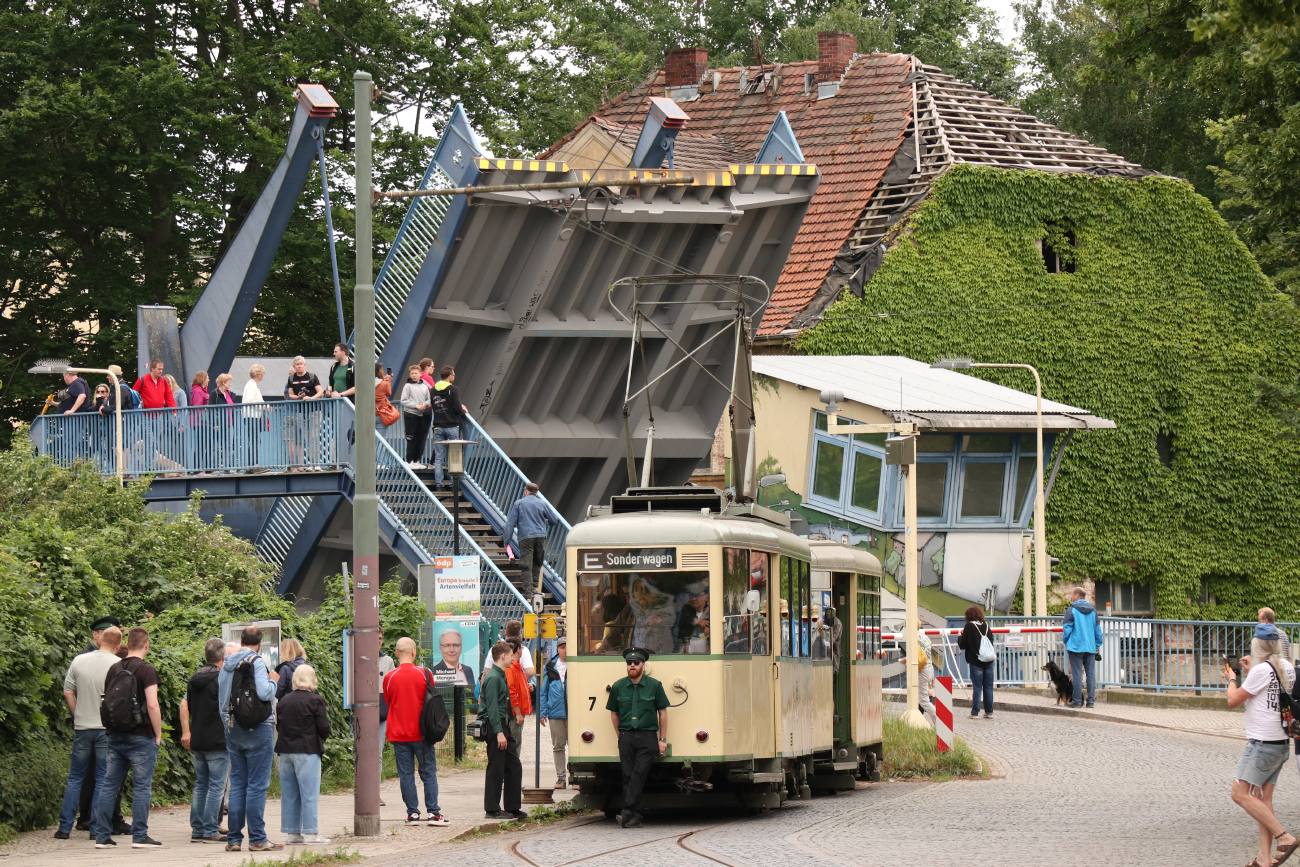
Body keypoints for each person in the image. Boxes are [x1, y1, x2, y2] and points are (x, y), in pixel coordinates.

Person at [1225, 623, 1299, 867]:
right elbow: (1266, 690)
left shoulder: (1261, 671)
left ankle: (1284, 837)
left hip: (1262, 744)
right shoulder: (1287, 667)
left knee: (1239, 794)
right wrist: (1251, 672)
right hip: (1280, 743)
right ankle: (1263, 859)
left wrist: (1232, 679)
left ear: (1257, 646)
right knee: (1262, 799)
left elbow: (1233, 701)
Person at [95, 626, 164, 849]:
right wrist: (158, 733)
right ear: (147, 645)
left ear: (127, 644)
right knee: (142, 786)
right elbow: (152, 704)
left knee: (109, 785)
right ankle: (140, 835)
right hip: (141, 735)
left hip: (115, 735)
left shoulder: (114, 668)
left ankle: (102, 836)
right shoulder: (147, 670)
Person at [55, 625, 122, 841]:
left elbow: (67, 691)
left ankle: (64, 827)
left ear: (100, 639)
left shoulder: (79, 660)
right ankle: (96, 828)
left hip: (82, 727)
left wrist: (78, 714)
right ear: (118, 644)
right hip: (105, 728)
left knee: (75, 777)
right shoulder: (117, 664)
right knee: (103, 778)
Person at [218, 626, 282, 853]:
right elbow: (265, 694)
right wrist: (273, 680)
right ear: (260, 643)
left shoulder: (226, 664)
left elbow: (222, 700)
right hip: (258, 728)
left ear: (241, 640)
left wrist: (228, 725)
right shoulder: (256, 661)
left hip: (232, 728)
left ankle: (234, 839)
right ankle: (257, 839)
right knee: (256, 785)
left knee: (237, 784)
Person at [382, 637, 449, 826]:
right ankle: (434, 813)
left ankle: (412, 814)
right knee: (428, 773)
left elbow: (389, 702)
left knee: (406, 775)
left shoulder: (390, 677)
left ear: (396, 654)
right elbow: (432, 700)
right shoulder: (425, 674)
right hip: (423, 734)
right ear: (414, 652)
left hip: (399, 733)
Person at [607, 646, 670, 828]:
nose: (632, 665)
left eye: (636, 662)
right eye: (629, 663)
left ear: (643, 665)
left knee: (639, 773)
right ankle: (635, 816)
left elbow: (663, 713)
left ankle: (626, 810)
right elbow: (614, 713)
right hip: (626, 736)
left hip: (647, 737)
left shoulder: (654, 685)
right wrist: (620, 735)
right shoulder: (618, 686)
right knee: (627, 775)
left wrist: (663, 739)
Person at [275, 664, 332, 844]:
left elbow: (279, 726)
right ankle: (311, 833)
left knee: (290, 793)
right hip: (307, 750)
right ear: (312, 679)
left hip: (285, 751)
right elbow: (324, 728)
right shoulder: (316, 700)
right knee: (309, 793)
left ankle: (292, 833)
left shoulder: (283, 701)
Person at [180, 638, 229, 843]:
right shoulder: (222, 679)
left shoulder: (195, 677)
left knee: (201, 784)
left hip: (198, 737)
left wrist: (187, 731)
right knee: (216, 785)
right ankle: (210, 829)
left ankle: (197, 828)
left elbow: (186, 705)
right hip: (217, 739)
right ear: (223, 657)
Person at [479, 641, 524, 820]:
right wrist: (499, 732)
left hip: (502, 725)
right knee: (496, 767)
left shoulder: (500, 675)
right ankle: (492, 808)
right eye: (511, 655)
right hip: (495, 725)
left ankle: (512, 807)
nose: (513, 658)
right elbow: (491, 708)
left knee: (513, 765)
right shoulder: (493, 678)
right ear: (503, 656)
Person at [502, 483, 559, 601]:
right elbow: (554, 520)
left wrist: (506, 540)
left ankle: (528, 595)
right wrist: (543, 523)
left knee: (526, 564)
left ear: (526, 492)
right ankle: (534, 589)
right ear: (536, 493)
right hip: (540, 536)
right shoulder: (542, 503)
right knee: (537, 562)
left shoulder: (518, 504)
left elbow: (510, 524)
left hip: (526, 537)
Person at [1062, 588, 1104, 708]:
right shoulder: (1093, 611)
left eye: (1072, 594)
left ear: (1076, 595)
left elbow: (1067, 628)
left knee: (1077, 675)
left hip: (1076, 646)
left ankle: (1077, 701)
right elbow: (1097, 630)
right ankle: (1090, 701)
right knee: (1090, 675)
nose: (1071, 597)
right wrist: (1097, 645)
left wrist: (1066, 640)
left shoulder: (1071, 610)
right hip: (1090, 647)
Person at [430, 366, 468, 489]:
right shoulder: (453, 389)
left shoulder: (433, 390)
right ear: (450, 376)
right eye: (453, 375)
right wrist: (464, 411)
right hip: (452, 425)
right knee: (454, 456)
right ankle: (453, 484)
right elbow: (457, 408)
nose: (454, 377)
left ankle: (439, 484)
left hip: (438, 426)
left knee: (439, 457)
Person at [283, 356, 323, 472]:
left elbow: (320, 391)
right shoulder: (291, 378)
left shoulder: (312, 376)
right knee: (307, 437)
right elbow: (290, 395)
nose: (300, 366)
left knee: (314, 436)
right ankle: (311, 463)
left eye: (301, 364)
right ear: (294, 366)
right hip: (301, 412)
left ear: (305, 365)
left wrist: (311, 398)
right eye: (297, 364)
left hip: (314, 410)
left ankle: (317, 463)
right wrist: (299, 397)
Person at [539, 636, 569, 789]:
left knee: (576, 745)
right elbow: (543, 692)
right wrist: (543, 712)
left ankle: (576, 776)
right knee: (558, 746)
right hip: (556, 714)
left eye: (567, 647)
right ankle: (561, 777)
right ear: (557, 649)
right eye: (562, 647)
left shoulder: (575, 666)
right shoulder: (550, 667)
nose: (565, 650)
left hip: (573, 714)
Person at [957, 605, 994, 719]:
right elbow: (991, 640)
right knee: (988, 687)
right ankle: (989, 712)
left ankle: (975, 712)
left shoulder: (969, 626)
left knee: (977, 687)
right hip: (988, 660)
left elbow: (963, 644)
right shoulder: (986, 625)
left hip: (976, 660)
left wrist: (960, 637)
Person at [400, 365, 432, 469]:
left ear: (420, 374)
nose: (414, 375)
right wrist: (416, 406)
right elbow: (403, 400)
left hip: (421, 414)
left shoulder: (424, 387)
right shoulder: (407, 386)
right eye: (412, 374)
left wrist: (425, 405)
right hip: (410, 414)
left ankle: (416, 460)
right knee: (411, 437)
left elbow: (429, 399)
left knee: (419, 437)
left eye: (416, 373)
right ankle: (409, 461)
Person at [241, 365, 267, 472]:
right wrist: (263, 406)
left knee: (254, 439)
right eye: (263, 373)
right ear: (258, 374)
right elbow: (251, 400)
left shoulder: (252, 385)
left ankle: (252, 464)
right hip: (252, 416)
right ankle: (252, 465)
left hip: (252, 416)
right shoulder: (251, 385)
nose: (263, 375)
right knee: (254, 440)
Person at [375, 362, 399, 428]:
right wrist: (388, 381)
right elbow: (389, 393)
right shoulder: (384, 384)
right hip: (381, 412)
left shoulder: (367, 383)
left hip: (369, 413)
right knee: (381, 436)